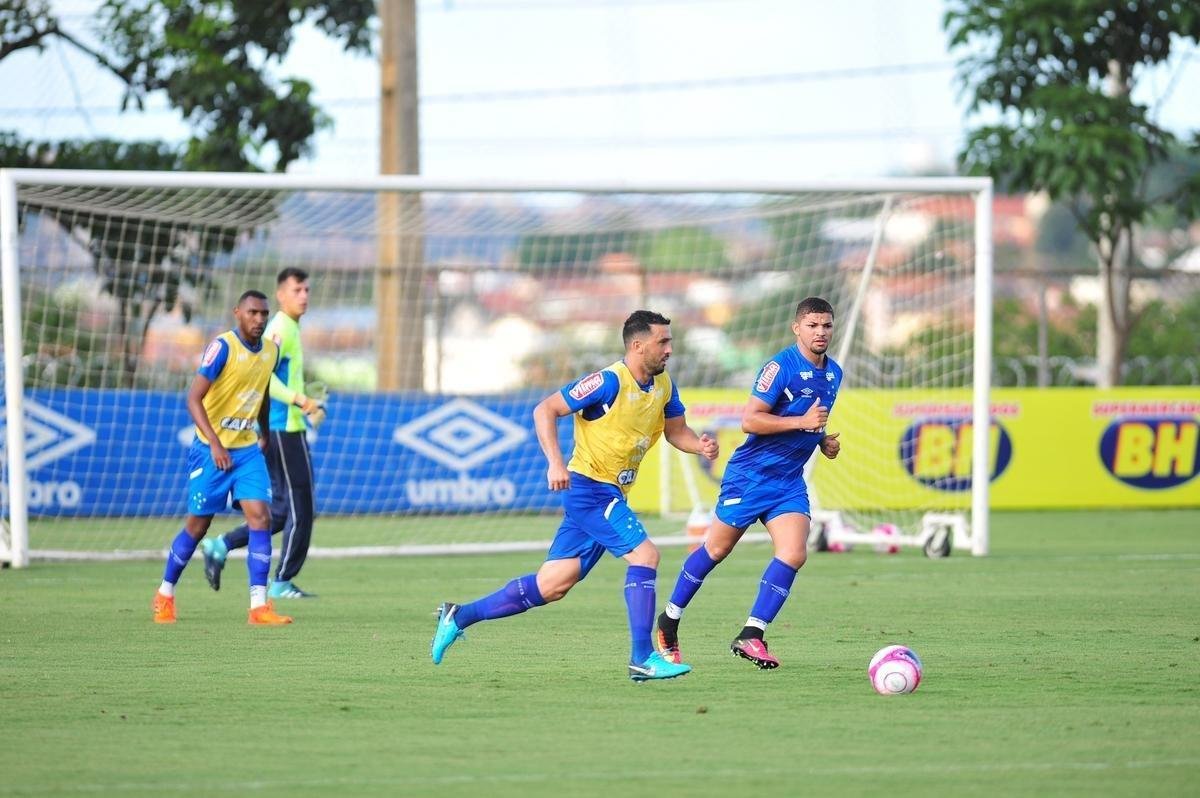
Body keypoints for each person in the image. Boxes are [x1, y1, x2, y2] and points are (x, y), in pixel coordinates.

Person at [430, 310, 720, 681]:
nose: (669, 349)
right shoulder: (607, 382)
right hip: (590, 490)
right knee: (646, 556)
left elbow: (676, 431)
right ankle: (643, 658)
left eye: (670, 341)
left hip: (611, 492)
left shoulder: (664, 387)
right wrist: (555, 463)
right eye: (662, 342)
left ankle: (460, 615)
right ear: (637, 345)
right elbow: (545, 409)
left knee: (552, 585)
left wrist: (700, 446)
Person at [655, 297, 843, 669]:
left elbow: (809, 419)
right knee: (716, 550)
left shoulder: (834, 372)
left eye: (826, 325)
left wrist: (822, 440)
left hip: (788, 481)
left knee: (794, 553)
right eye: (812, 325)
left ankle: (752, 634)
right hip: (751, 476)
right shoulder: (780, 367)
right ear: (797, 328)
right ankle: (669, 619)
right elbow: (750, 421)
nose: (820, 332)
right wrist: (800, 424)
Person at [152, 290, 293, 625]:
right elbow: (193, 398)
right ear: (237, 313)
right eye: (252, 313)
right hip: (209, 449)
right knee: (198, 525)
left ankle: (259, 607)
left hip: (246, 450)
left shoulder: (271, 351)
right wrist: (215, 444)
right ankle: (164, 594)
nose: (259, 319)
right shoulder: (223, 347)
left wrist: (265, 432)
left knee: (261, 517)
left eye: (263, 314)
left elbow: (262, 393)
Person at [199, 267, 325, 599]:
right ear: (281, 294)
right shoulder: (280, 328)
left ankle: (219, 545)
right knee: (302, 508)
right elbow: (265, 377)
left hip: (289, 426)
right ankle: (281, 581)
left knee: (282, 512)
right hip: (283, 429)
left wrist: (308, 404)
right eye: (298, 290)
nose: (304, 296)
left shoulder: (290, 328)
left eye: (307, 290)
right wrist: (299, 400)